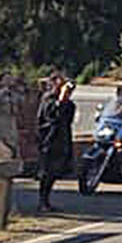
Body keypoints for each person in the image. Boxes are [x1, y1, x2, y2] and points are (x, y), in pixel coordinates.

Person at [36, 72, 76, 213]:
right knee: (47, 171)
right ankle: (42, 202)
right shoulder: (48, 99)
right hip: (49, 139)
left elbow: (68, 117)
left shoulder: (69, 103)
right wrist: (61, 99)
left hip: (62, 138)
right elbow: (51, 116)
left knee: (55, 172)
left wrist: (65, 98)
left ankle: (46, 201)